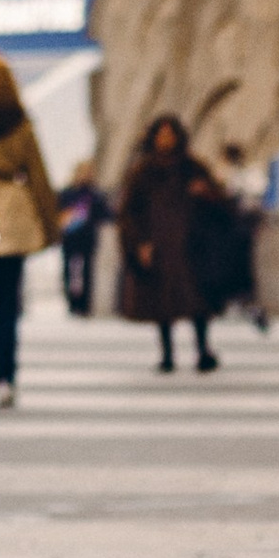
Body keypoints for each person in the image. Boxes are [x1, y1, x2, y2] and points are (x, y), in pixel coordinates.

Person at [0, 55, 62, 411]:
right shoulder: (21, 124)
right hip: (14, 212)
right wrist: (51, 226)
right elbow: (38, 176)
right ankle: (6, 377)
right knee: (7, 301)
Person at [117, 112, 230, 372]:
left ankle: (203, 349)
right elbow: (129, 212)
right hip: (159, 246)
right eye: (161, 135)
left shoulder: (192, 167)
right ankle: (167, 353)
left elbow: (220, 203)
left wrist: (206, 194)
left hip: (192, 246)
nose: (166, 140)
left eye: (170, 134)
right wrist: (139, 242)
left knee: (197, 301)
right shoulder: (143, 172)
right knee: (162, 303)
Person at [57, 161, 107, 318]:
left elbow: (104, 214)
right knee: (68, 271)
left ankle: (84, 304)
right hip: (69, 238)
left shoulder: (95, 194)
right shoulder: (66, 193)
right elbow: (57, 212)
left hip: (87, 237)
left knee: (87, 272)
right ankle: (71, 302)